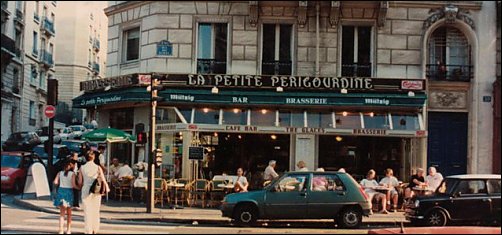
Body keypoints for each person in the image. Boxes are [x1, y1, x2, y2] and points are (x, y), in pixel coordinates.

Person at [78, 150, 110, 234]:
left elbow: (80, 182)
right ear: (94, 157)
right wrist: (107, 188)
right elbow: (103, 179)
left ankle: (88, 229)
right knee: (95, 210)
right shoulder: (98, 167)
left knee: (87, 210)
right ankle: (95, 229)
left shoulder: (82, 168)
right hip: (96, 190)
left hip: (86, 190)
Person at [53, 161, 78, 234]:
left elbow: (55, 182)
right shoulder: (72, 174)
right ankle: (68, 230)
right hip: (69, 192)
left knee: (62, 214)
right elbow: (73, 185)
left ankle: (61, 230)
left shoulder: (59, 173)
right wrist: (78, 187)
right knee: (69, 213)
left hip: (61, 191)